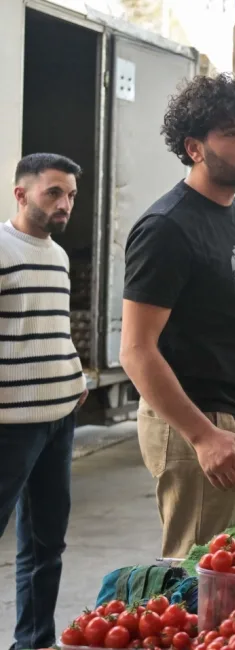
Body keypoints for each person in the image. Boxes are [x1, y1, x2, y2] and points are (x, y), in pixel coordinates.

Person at [120, 74, 235, 559]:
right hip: (195, 420)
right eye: (232, 132)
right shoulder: (166, 227)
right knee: (197, 576)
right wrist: (203, 436)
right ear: (195, 148)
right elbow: (136, 351)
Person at [0, 153, 88, 650]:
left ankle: (33, 642)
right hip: (11, 423)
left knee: (46, 544)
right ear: (21, 193)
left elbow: (53, 330)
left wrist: (74, 376)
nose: (65, 203)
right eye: (54, 192)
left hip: (58, 419)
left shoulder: (57, 254)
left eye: (71, 195)